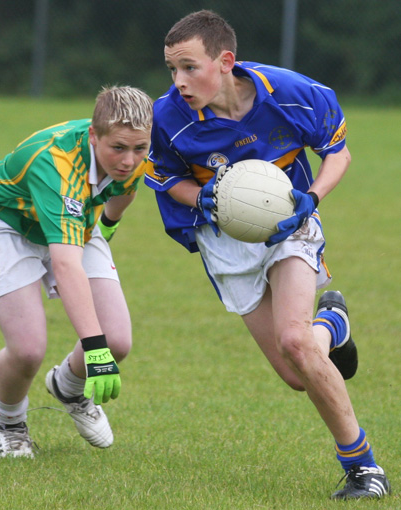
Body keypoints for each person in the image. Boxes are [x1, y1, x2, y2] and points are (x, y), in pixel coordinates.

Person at [144, 10, 390, 500]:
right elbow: (164, 177)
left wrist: (312, 198)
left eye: (189, 67)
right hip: (223, 242)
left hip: (289, 223)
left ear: (225, 61)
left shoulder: (293, 93)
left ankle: (364, 469)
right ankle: (333, 323)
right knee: (295, 373)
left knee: (295, 343)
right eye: (172, 69)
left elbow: (337, 152)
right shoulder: (167, 117)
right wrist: (203, 198)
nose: (179, 81)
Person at [0, 85, 153, 458]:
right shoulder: (56, 164)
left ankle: (67, 386)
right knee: (27, 348)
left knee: (118, 339)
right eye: (118, 148)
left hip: (77, 221)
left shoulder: (138, 147)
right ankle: (8, 422)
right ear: (93, 135)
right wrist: (93, 349)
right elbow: (67, 266)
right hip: (8, 226)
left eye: (139, 149)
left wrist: (110, 223)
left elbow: (127, 188)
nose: (129, 160)